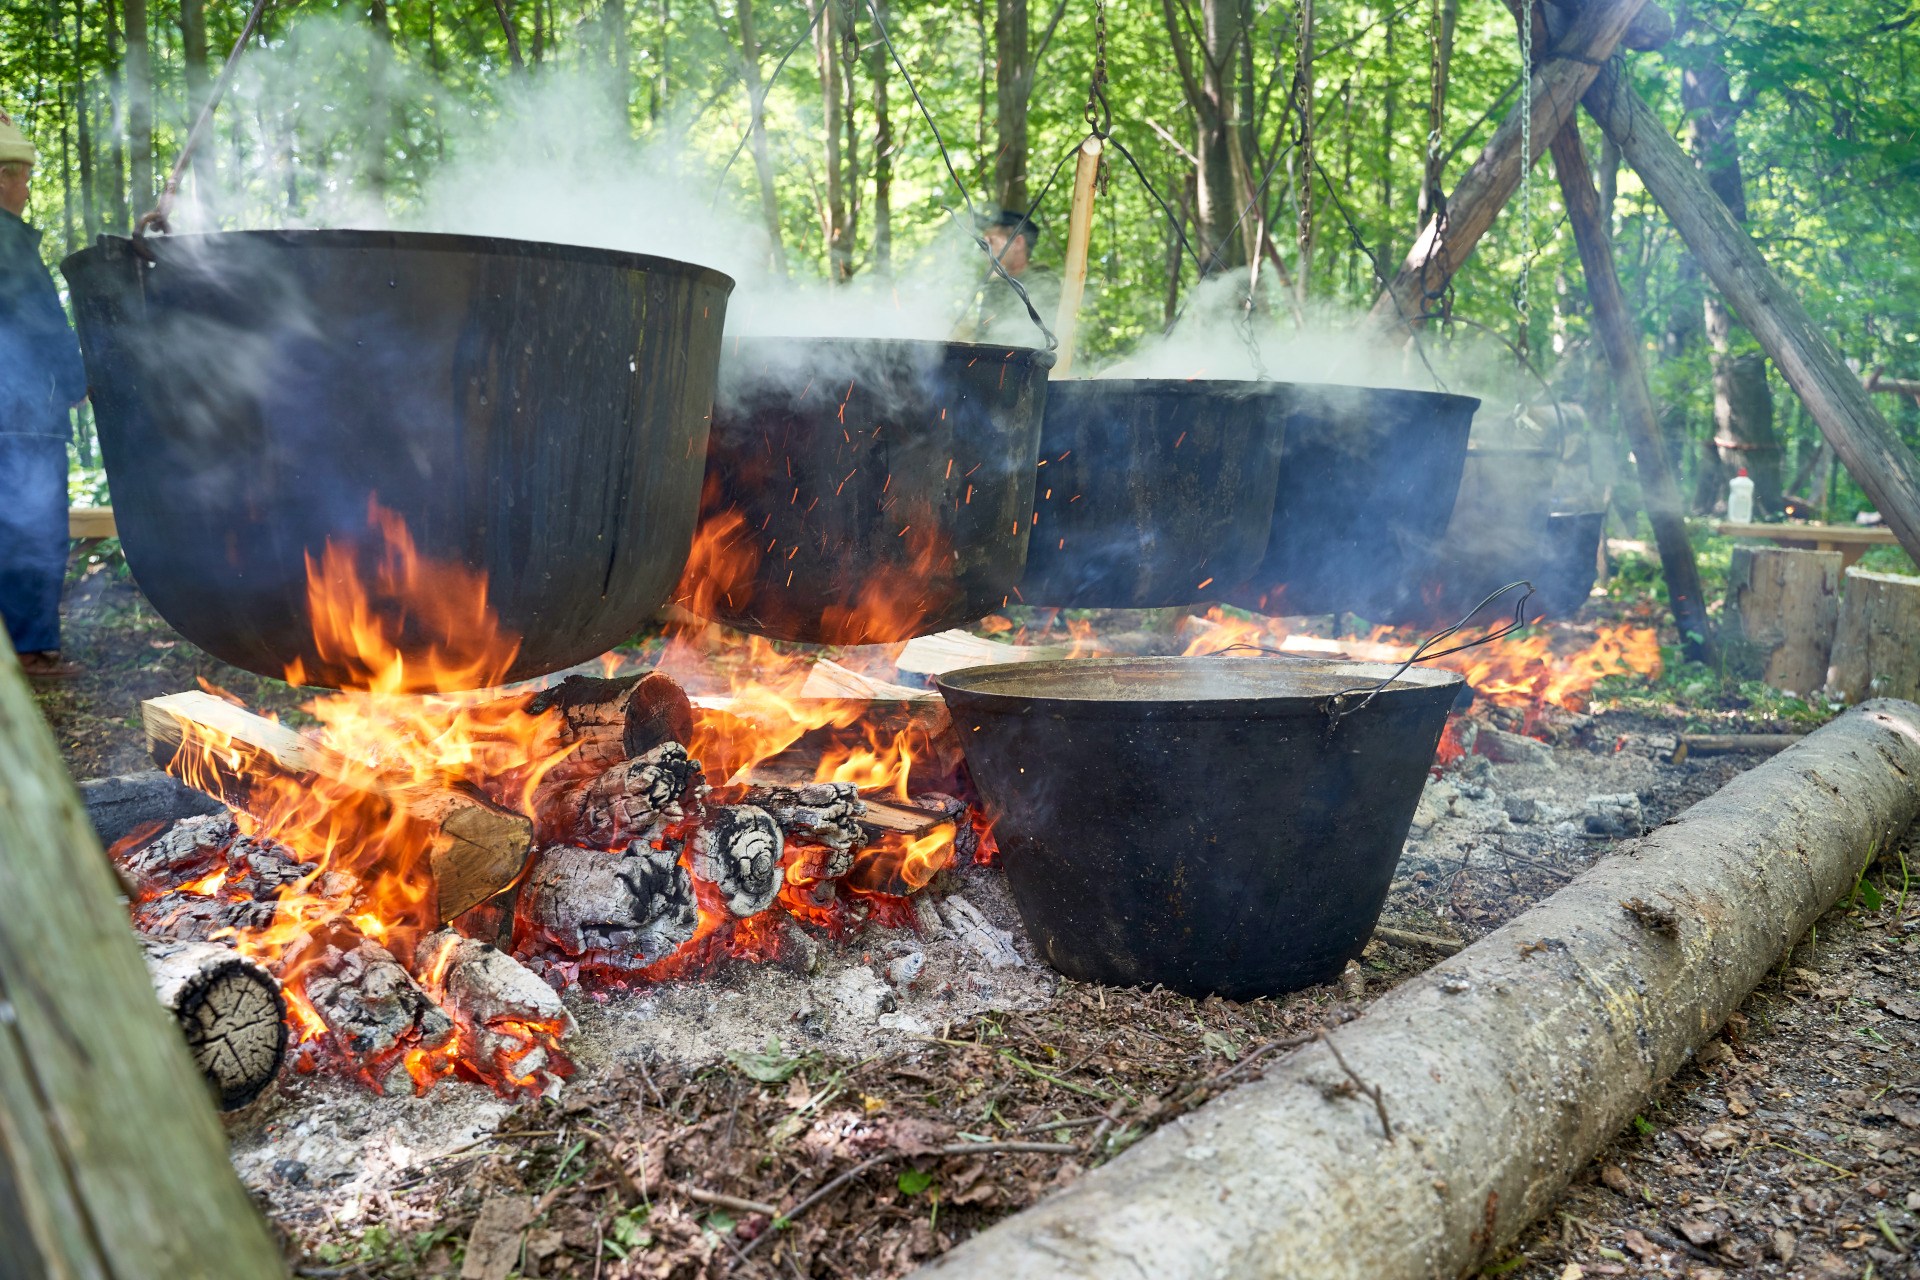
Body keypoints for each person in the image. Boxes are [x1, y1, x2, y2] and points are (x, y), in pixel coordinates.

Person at [0, 111, 88, 677]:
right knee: (33, 524)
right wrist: (79, 380)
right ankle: (30, 649)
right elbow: (39, 324)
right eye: (23, 176)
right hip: (21, 410)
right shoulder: (7, 240)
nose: (29, 189)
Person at [958, 208, 1055, 344]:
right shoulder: (999, 282)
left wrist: (995, 278)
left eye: (990, 241)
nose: (983, 248)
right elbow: (984, 334)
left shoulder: (1043, 282)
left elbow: (1009, 331)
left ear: (1018, 243)